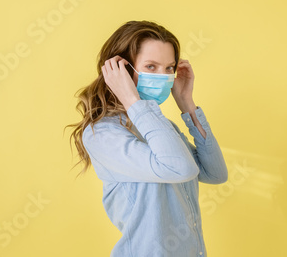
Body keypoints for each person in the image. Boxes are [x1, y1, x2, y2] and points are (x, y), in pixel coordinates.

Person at [65, 20, 228, 256]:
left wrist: (187, 104)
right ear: (119, 70)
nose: (163, 77)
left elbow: (215, 173)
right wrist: (131, 100)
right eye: (151, 66)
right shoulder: (102, 134)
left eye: (169, 68)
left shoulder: (161, 127)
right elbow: (179, 168)